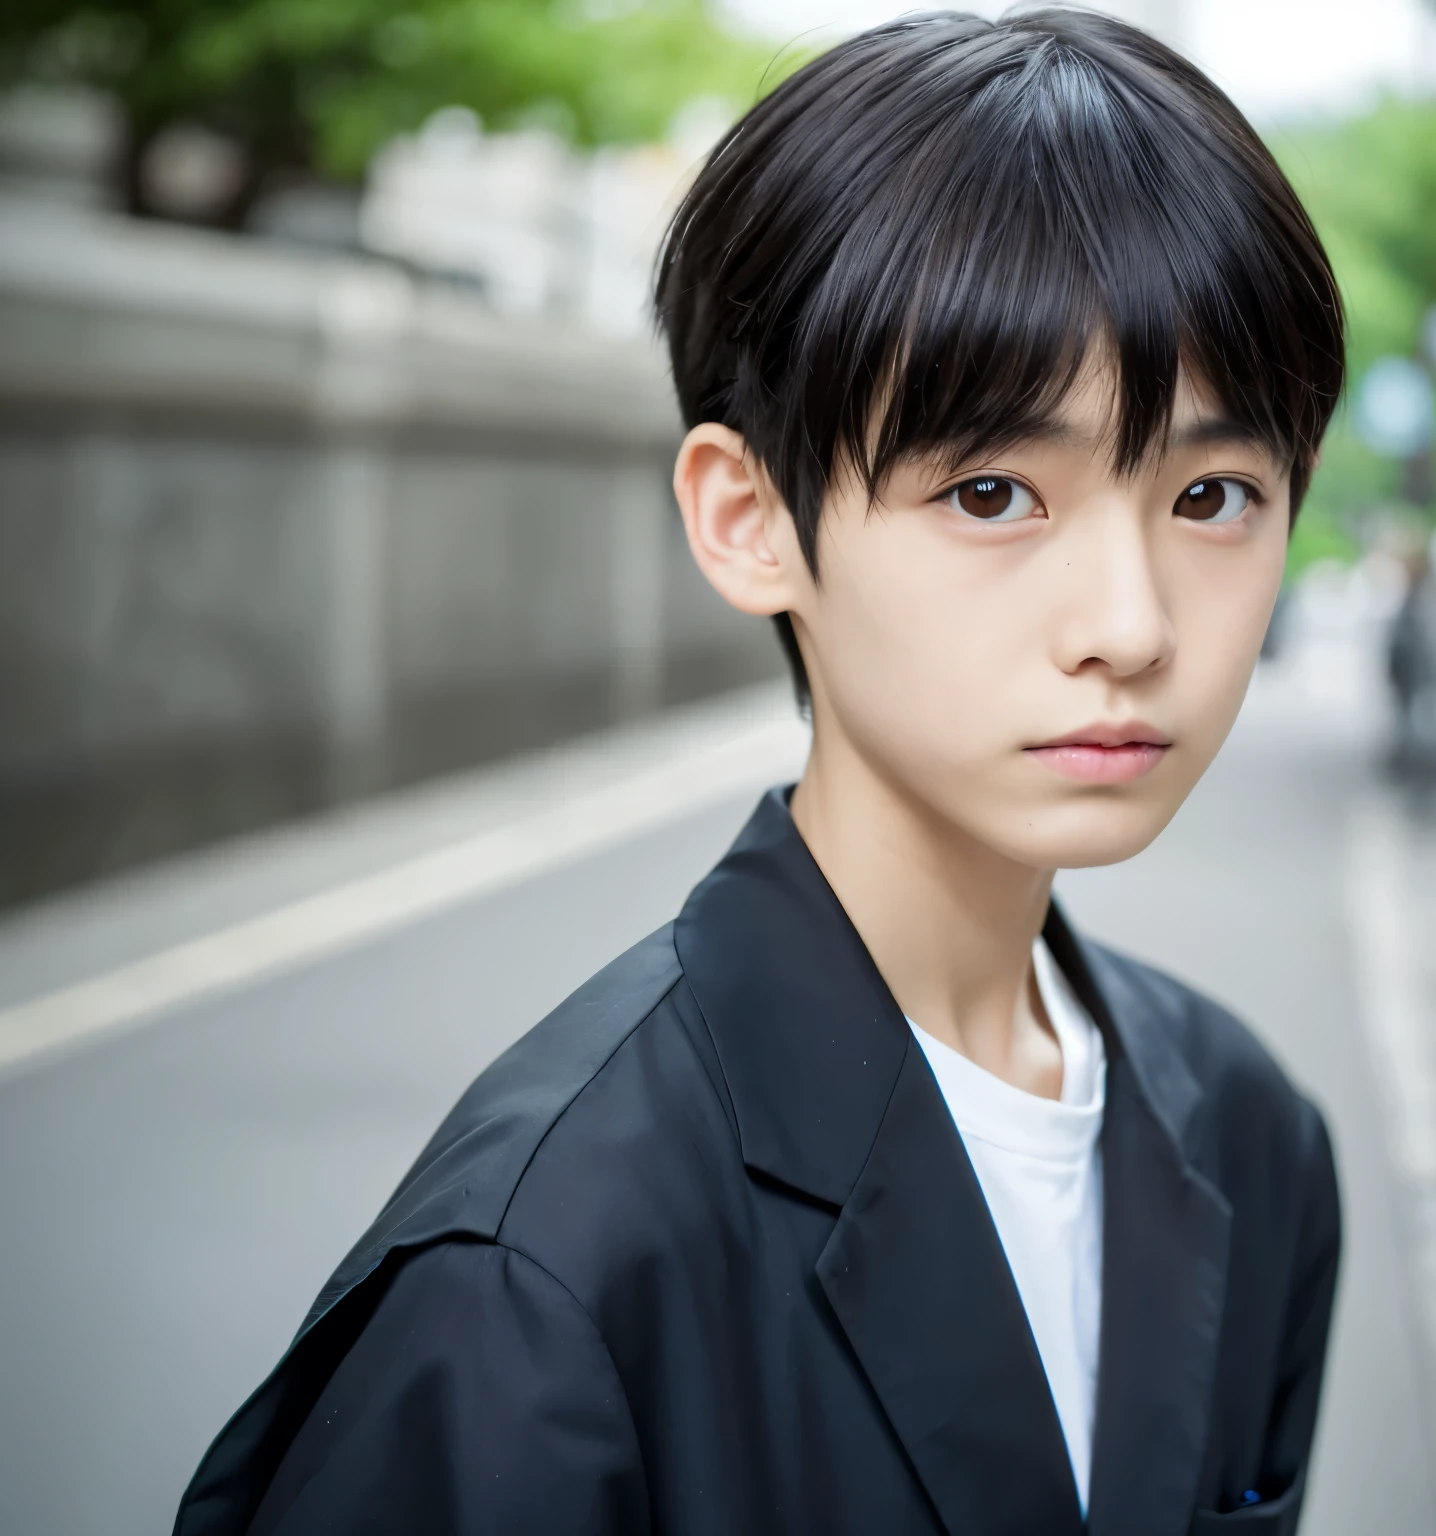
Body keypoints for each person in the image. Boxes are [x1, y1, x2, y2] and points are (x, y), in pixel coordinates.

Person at [176, 10, 1345, 1534]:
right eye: (993, 492)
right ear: (751, 519)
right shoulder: (543, 1271)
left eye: (1212, 492)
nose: (1130, 625)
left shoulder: (1251, 1134)